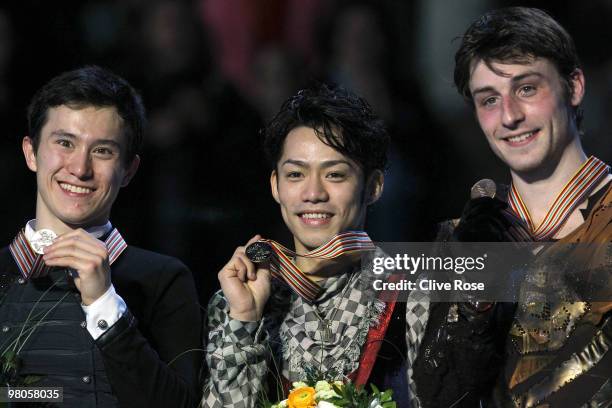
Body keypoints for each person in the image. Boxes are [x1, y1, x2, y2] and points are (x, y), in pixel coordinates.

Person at [414, 7, 611, 407]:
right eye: (489, 99)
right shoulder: (461, 239)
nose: (510, 117)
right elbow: (440, 396)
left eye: (526, 89)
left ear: (573, 87)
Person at [0, 66, 202, 407]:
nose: (80, 168)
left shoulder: (163, 280)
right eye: (65, 143)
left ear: (128, 170)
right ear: (30, 152)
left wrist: (104, 303)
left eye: (103, 151)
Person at [201, 84, 410, 407]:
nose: (313, 193)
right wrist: (245, 317)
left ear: (373, 187)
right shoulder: (236, 299)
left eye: (335, 175)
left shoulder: (411, 293)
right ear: (276, 186)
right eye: (296, 174)